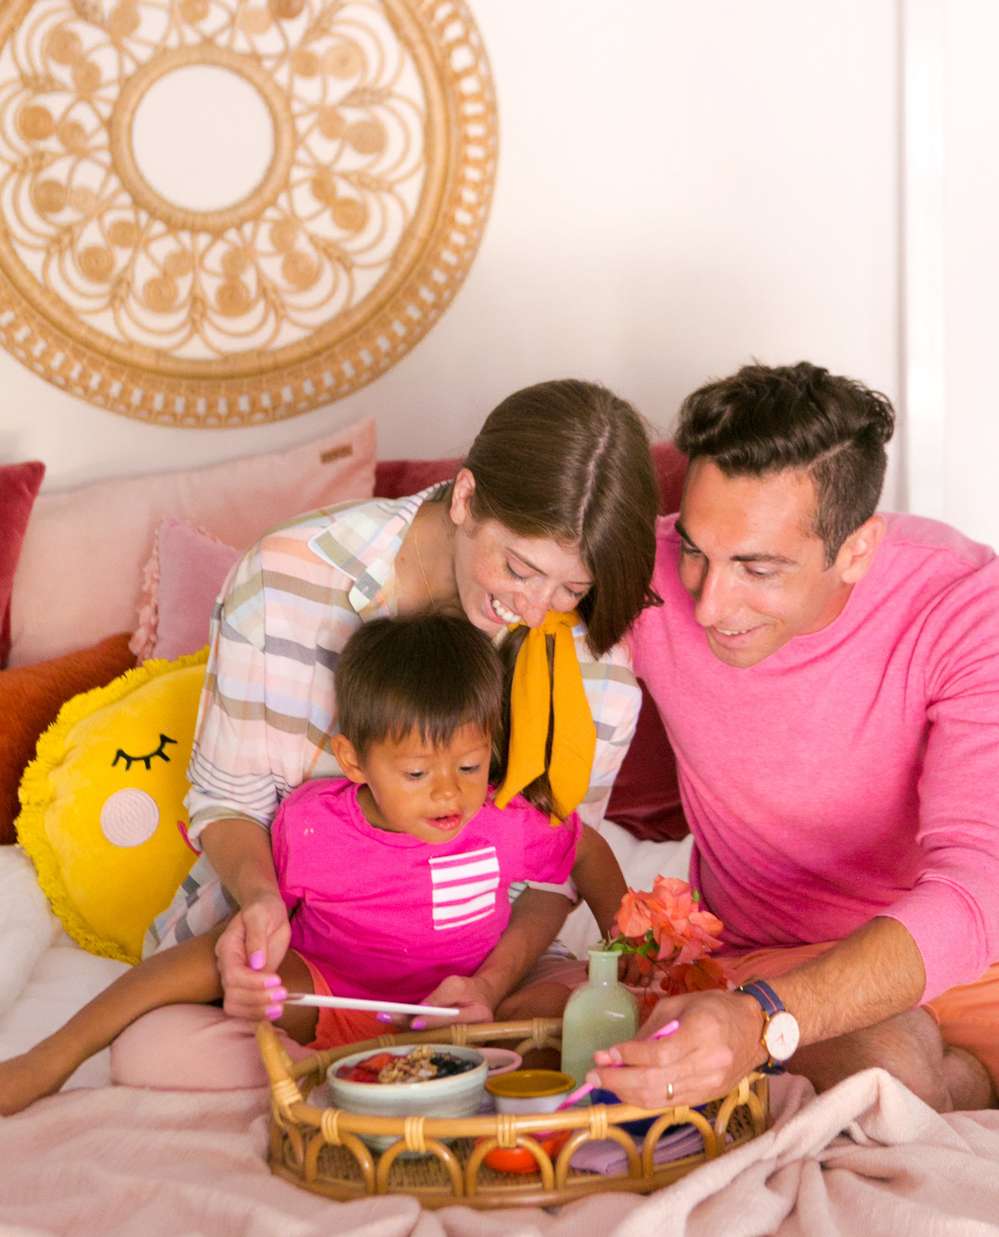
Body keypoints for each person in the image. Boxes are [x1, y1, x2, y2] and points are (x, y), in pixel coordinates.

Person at [586, 362, 999, 1196]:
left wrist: (762, 1022)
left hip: (980, 949)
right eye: (697, 550)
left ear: (857, 548)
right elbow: (468, 570)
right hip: (765, 951)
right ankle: (955, 1082)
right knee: (888, 1084)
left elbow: (977, 891)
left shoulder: (965, 601)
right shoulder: (640, 575)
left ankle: (967, 1079)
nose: (709, 603)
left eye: (759, 568)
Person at [0, 380, 657, 1112]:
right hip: (315, 957)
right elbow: (231, 801)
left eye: (572, 588)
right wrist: (258, 906)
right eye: (520, 568)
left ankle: (370, 1074)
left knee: (592, 1029)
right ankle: (421, 1077)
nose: (537, 610)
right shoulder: (285, 580)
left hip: (480, 971)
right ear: (467, 497)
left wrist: (497, 985)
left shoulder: (590, 653)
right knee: (154, 1049)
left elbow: (557, 867)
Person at [0, 611, 627, 1100]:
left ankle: (371, 1078)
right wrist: (249, 968)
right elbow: (250, 933)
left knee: (586, 1015)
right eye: (415, 773)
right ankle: (53, 1056)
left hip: (471, 1011)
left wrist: (632, 958)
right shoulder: (313, 823)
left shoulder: (503, 819)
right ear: (354, 760)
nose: (448, 792)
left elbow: (587, 853)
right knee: (152, 1047)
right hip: (335, 998)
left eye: (468, 765)